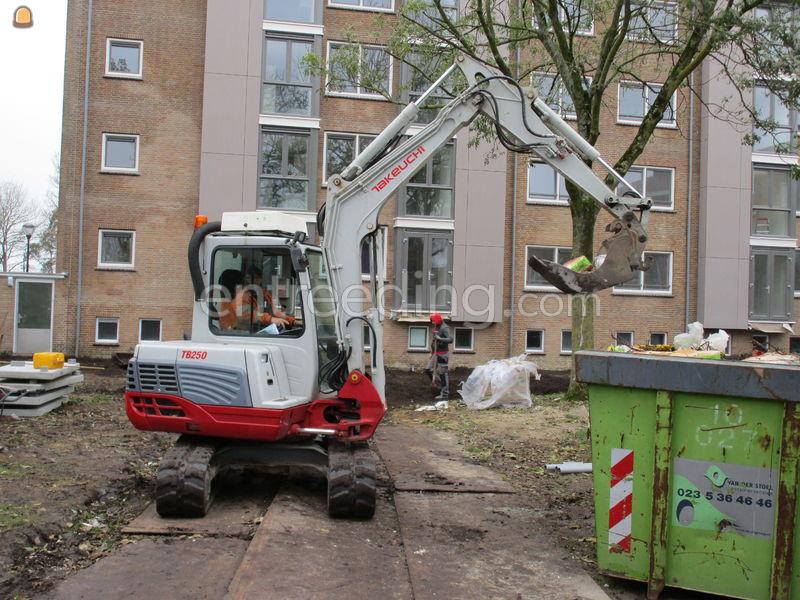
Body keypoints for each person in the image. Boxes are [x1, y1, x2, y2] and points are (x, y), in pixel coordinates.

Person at [218, 266, 295, 332]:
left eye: (256, 278)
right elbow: (248, 315)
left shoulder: (262, 294)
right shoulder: (239, 298)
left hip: (255, 330)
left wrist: (293, 321)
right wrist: (270, 319)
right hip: (237, 335)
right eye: (248, 278)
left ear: (261, 279)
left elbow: (276, 312)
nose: (252, 281)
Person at [425, 313, 452, 400]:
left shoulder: (445, 328)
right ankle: (439, 384)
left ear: (438, 320)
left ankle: (445, 393)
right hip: (435, 353)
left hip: (443, 354)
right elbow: (434, 341)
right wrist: (432, 353)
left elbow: (450, 339)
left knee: (443, 374)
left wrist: (440, 338)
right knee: (428, 369)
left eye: (434, 321)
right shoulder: (437, 327)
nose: (433, 323)